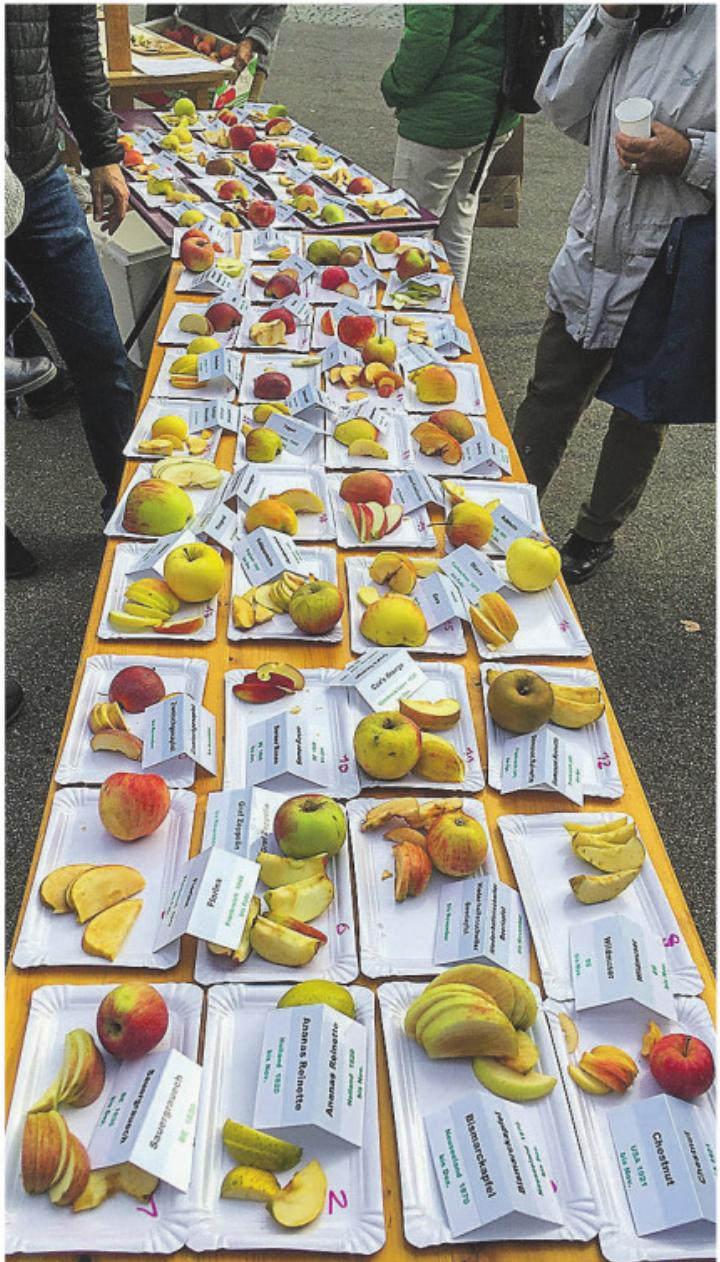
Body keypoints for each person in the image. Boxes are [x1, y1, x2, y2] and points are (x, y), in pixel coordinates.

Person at [512, 4, 715, 584]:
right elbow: (563, 108)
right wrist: (610, 20)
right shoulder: (616, 16)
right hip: (593, 249)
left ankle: (595, 534)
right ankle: (507, 515)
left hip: (675, 262)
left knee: (639, 412)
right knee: (549, 391)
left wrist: (691, 155)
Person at [5, 4, 135, 521]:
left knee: (101, 350)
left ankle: (129, 506)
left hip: (38, 175)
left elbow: (75, 43)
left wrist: (103, 153)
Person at [380, 5, 520, 294]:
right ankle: (452, 318)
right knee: (458, 227)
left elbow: (427, 39)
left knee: (411, 230)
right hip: (495, 113)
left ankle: (412, 326)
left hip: (440, 120)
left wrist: (394, 86)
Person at [146, 4, 287, 99]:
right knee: (175, 119)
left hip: (245, 44)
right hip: (192, 36)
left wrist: (254, 39)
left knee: (235, 122)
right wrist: (153, 30)